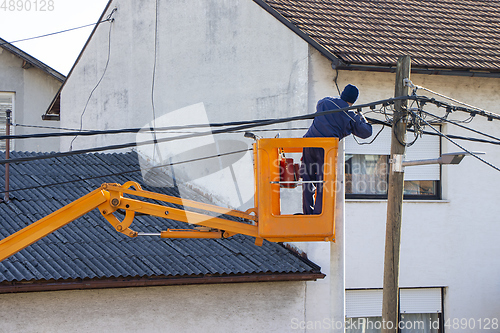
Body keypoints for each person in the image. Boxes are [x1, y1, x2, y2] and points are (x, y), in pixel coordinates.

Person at [301, 84, 372, 215]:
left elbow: (323, 104)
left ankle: (307, 212)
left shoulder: (325, 102)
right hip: (325, 148)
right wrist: (361, 116)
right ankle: (318, 214)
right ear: (353, 100)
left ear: (342, 94)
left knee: (307, 179)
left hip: (308, 143)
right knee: (323, 181)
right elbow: (366, 132)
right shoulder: (350, 115)